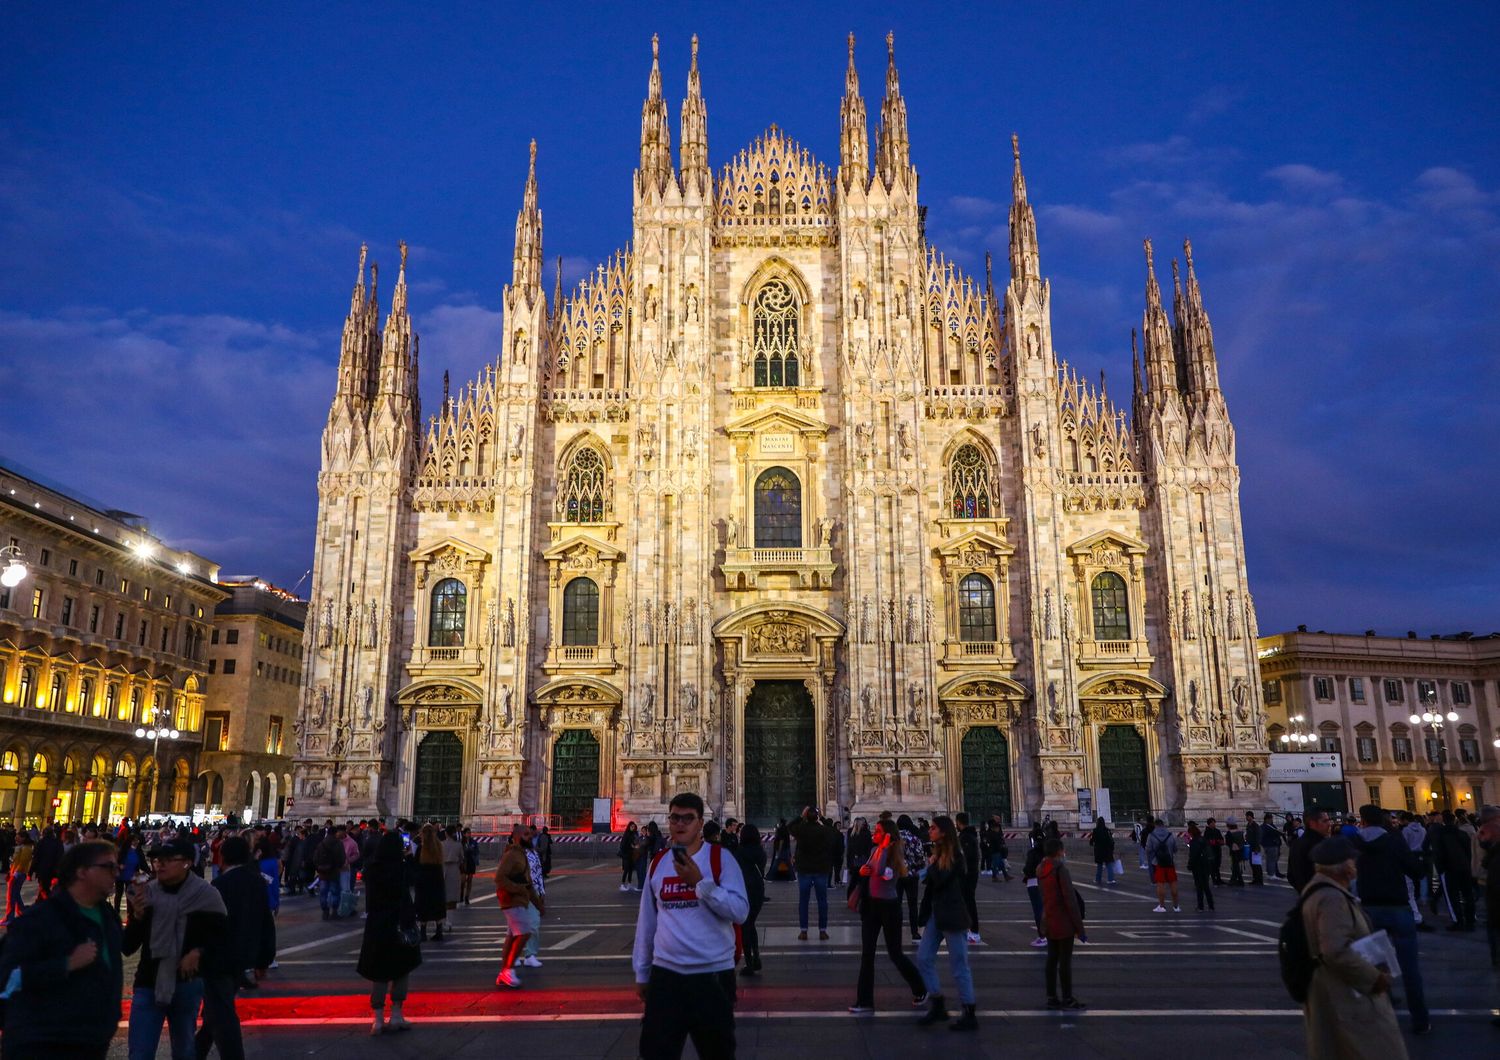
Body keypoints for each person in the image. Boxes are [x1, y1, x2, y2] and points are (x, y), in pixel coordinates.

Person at [632, 792, 748, 1060]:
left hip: (713, 977)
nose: (680, 824)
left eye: (687, 818)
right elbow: (647, 921)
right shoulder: (658, 863)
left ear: (700, 823)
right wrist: (642, 971)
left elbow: (740, 912)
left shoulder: (722, 860)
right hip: (666, 976)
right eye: (675, 818)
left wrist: (700, 883)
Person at [0, 839, 124, 1059]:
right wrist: (65, 964)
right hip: (43, 1043)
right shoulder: (41, 919)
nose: (116, 872)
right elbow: (8, 977)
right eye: (108, 867)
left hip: (92, 1042)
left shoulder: (108, 917)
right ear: (82, 872)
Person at [1299, 837, 1409, 1060]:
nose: (1355, 864)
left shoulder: (1320, 891)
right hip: (1347, 993)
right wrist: (1373, 977)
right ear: (1344, 866)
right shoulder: (1331, 898)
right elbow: (1335, 949)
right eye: (1352, 860)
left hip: (1333, 989)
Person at [123, 837, 228, 1060]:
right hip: (148, 982)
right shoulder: (147, 894)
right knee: (139, 1053)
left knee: (184, 1051)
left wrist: (198, 952)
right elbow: (128, 946)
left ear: (187, 863)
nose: (159, 864)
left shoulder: (206, 896)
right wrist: (139, 916)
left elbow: (222, 939)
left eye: (168, 860)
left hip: (187, 984)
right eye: (157, 860)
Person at [1351, 804, 1430, 1034]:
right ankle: (1420, 1019)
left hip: (1368, 910)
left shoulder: (1354, 843)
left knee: (1373, 966)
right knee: (1410, 968)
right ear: (1384, 821)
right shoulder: (1395, 841)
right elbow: (1416, 871)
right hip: (1398, 908)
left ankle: (1379, 1013)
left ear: (1362, 821)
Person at [196, 836, 275, 1060]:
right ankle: (194, 1053)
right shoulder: (257, 881)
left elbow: (207, 926)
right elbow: (265, 922)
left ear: (224, 856)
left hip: (218, 959)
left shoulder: (220, 885)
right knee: (215, 1014)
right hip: (243, 957)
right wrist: (264, 958)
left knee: (223, 1016)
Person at [849, 819, 926, 1015]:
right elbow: (869, 870)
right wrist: (862, 871)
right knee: (867, 954)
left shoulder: (894, 855)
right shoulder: (876, 851)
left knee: (895, 953)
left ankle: (920, 988)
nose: (874, 832)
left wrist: (883, 848)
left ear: (888, 835)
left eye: (878, 831)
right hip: (871, 907)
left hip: (889, 908)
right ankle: (864, 1001)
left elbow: (882, 871)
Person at [910, 816, 977, 1030]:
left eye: (933, 828)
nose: (929, 831)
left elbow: (939, 878)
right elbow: (929, 881)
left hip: (953, 915)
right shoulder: (938, 854)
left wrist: (929, 867)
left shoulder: (955, 856)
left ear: (944, 832)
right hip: (937, 914)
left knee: (959, 965)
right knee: (923, 957)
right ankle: (937, 1003)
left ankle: (969, 1010)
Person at [358, 830, 421, 1034]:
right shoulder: (400, 868)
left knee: (379, 971)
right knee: (402, 969)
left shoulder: (372, 869)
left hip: (378, 925)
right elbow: (413, 881)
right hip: (399, 924)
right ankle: (396, 1015)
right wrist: (410, 858)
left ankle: (377, 1020)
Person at [1037, 837, 1086, 1009]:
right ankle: (1067, 997)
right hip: (1063, 921)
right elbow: (1070, 900)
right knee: (1065, 961)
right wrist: (1080, 928)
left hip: (1049, 918)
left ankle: (1051, 996)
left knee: (1051, 959)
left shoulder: (1040, 869)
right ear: (1059, 851)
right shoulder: (1060, 870)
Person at [494, 824, 539, 988]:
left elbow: (527, 883)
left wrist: (538, 904)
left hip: (517, 900)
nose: (531, 837)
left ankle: (504, 972)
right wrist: (518, 889)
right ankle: (508, 970)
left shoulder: (521, 854)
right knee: (525, 932)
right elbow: (499, 878)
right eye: (527, 834)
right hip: (512, 900)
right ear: (519, 836)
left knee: (513, 935)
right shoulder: (512, 854)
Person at [788, 806, 834, 939]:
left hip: (805, 870)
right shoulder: (824, 830)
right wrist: (823, 817)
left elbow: (790, 826)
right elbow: (833, 832)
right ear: (817, 817)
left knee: (803, 901)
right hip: (821, 869)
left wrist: (801, 816)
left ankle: (803, 931)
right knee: (822, 901)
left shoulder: (801, 830)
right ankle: (823, 930)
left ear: (806, 817)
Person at [1432, 810, 1476, 930]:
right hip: (1464, 867)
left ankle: (1458, 921)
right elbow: (1469, 851)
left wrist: (1440, 868)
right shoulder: (1462, 834)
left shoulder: (1440, 835)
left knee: (1453, 896)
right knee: (1467, 894)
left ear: (1443, 821)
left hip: (1449, 868)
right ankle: (1471, 920)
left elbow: (1438, 852)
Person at [733, 823, 766, 975]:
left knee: (745, 926)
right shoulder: (761, 851)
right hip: (758, 889)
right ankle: (756, 958)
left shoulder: (739, 851)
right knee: (751, 924)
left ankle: (749, 963)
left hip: (744, 889)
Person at [414, 824, 447, 942]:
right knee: (437, 904)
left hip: (423, 879)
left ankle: (423, 933)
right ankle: (439, 931)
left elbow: (416, 864)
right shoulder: (439, 846)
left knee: (423, 904)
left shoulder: (420, 848)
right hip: (437, 878)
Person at [520, 823, 547, 968]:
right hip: (519, 894)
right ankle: (514, 956)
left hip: (534, 893)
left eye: (530, 835)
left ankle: (530, 954)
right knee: (516, 927)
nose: (530, 837)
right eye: (526, 835)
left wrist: (542, 892)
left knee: (534, 923)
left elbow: (539, 872)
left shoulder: (534, 853)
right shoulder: (515, 853)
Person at [896, 814, 926, 940]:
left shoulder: (893, 838)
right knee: (912, 905)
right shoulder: (914, 838)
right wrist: (915, 867)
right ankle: (914, 932)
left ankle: (895, 930)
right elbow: (920, 857)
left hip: (897, 875)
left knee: (896, 904)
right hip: (911, 875)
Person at [954, 812, 983, 944]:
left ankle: (974, 931)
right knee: (966, 902)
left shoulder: (966, 837)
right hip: (969, 873)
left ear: (959, 822)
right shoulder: (968, 835)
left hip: (967, 875)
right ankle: (969, 929)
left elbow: (965, 857)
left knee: (969, 902)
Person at [1288, 809, 1333, 892]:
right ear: (1313, 823)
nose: (1329, 824)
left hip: (1306, 895)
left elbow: (1291, 876)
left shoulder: (1296, 844)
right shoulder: (1323, 845)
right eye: (1325, 821)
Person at [1145, 818, 1180, 912]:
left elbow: (1148, 849)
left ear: (1155, 825)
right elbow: (1175, 849)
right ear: (1163, 825)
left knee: (1160, 884)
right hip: (1170, 862)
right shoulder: (1170, 835)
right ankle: (1176, 906)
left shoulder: (1151, 835)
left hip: (1158, 862)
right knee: (1173, 883)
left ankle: (1162, 906)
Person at [313, 825, 347, 921]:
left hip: (323, 872)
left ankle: (325, 911)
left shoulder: (321, 844)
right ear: (335, 833)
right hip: (334, 871)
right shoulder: (338, 844)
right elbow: (342, 858)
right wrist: (338, 866)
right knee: (335, 892)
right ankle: (334, 911)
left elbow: (315, 858)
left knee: (323, 892)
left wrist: (319, 867)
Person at [1185, 822, 1214, 911]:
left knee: (1199, 887)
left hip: (1198, 866)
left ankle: (1200, 906)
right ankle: (1211, 905)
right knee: (1206, 886)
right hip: (1206, 865)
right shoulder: (1203, 839)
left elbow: (1193, 855)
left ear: (1191, 833)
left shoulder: (1194, 842)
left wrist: (1190, 865)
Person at [4, 830, 32, 922]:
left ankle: (10, 917)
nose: (16, 838)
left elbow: (22, 862)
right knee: (15, 895)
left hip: (18, 874)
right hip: (16, 873)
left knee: (12, 896)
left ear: (23, 838)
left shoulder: (26, 848)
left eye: (18, 836)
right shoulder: (21, 847)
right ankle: (22, 911)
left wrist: (14, 873)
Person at [844, 817, 872, 896]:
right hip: (863, 860)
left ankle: (850, 899)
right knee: (863, 882)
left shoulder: (850, 832)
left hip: (853, 860)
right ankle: (862, 899)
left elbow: (849, 848)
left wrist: (849, 862)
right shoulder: (866, 833)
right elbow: (868, 848)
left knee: (853, 882)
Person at [440, 827, 464, 917]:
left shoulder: (441, 844)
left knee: (442, 895)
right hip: (454, 869)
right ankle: (449, 922)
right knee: (452, 897)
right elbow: (462, 858)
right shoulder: (458, 845)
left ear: (446, 833)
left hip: (442, 869)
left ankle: (441, 920)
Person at [1088, 818, 1116, 885]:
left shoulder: (1095, 831)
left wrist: (1092, 843)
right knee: (1109, 865)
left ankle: (1098, 879)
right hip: (1107, 850)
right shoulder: (1107, 830)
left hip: (1099, 851)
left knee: (1099, 866)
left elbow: (1091, 841)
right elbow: (1111, 841)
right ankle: (1110, 879)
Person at [1245, 810, 1265, 885]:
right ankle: (1255, 879)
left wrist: (1257, 848)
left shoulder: (1255, 826)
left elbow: (1258, 837)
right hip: (1250, 847)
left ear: (1251, 816)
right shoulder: (1248, 825)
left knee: (1257, 864)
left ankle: (1259, 880)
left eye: (1248, 816)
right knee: (1252, 864)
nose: (1246, 817)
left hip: (1255, 847)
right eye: (1246, 816)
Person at [1261, 812, 1284, 879]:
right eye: (1271, 819)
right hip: (1271, 845)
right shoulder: (1267, 827)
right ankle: (1271, 874)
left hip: (1269, 845)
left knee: (1270, 860)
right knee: (1271, 860)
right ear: (1267, 819)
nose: (1272, 820)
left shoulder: (1267, 826)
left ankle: (1271, 873)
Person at [1203, 817, 1225, 885]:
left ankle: (1218, 879)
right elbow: (1207, 841)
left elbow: (1221, 839)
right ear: (1209, 824)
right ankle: (1214, 879)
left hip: (1217, 849)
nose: (1214, 824)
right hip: (1211, 850)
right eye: (1212, 823)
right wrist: (1216, 841)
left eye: (1214, 823)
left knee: (1217, 865)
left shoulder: (1217, 831)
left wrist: (1218, 841)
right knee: (1212, 866)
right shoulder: (1207, 832)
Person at [620, 821, 641, 891]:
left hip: (632, 854)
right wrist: (632, 846)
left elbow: (635, 842)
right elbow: (623, 845)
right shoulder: (626, 834)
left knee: (631, 870)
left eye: (634, 827)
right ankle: (622, 884)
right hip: (626, 854)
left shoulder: (634, 834)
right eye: (631, 827)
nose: (633, 828)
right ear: (629, 827)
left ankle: (629, 884)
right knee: (626, 869)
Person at [1224, 819, 1246, 886]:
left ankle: (1238, 880)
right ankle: (1235, 879)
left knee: (1235, 865)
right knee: (1236, 865)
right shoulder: (1240, 831)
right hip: (1241, 850)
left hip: (1234, 851)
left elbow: (1228, 842)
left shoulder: (1229, 833)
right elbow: (1243, 841)